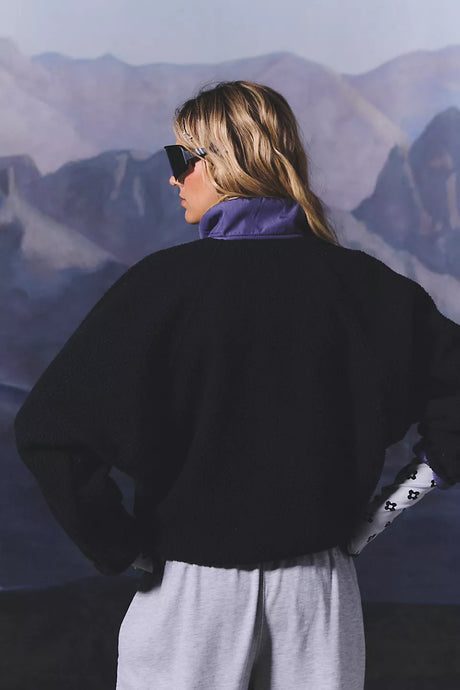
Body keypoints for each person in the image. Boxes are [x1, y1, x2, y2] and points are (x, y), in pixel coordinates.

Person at [14, 81, 460, 690]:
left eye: (181, 158)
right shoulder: (366, 286)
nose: (173, 177)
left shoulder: (159, 288)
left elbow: (48, 431)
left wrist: (121, 545)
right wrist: (384, 510)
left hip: (188, 598)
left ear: (227, 162)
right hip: (320, 598)